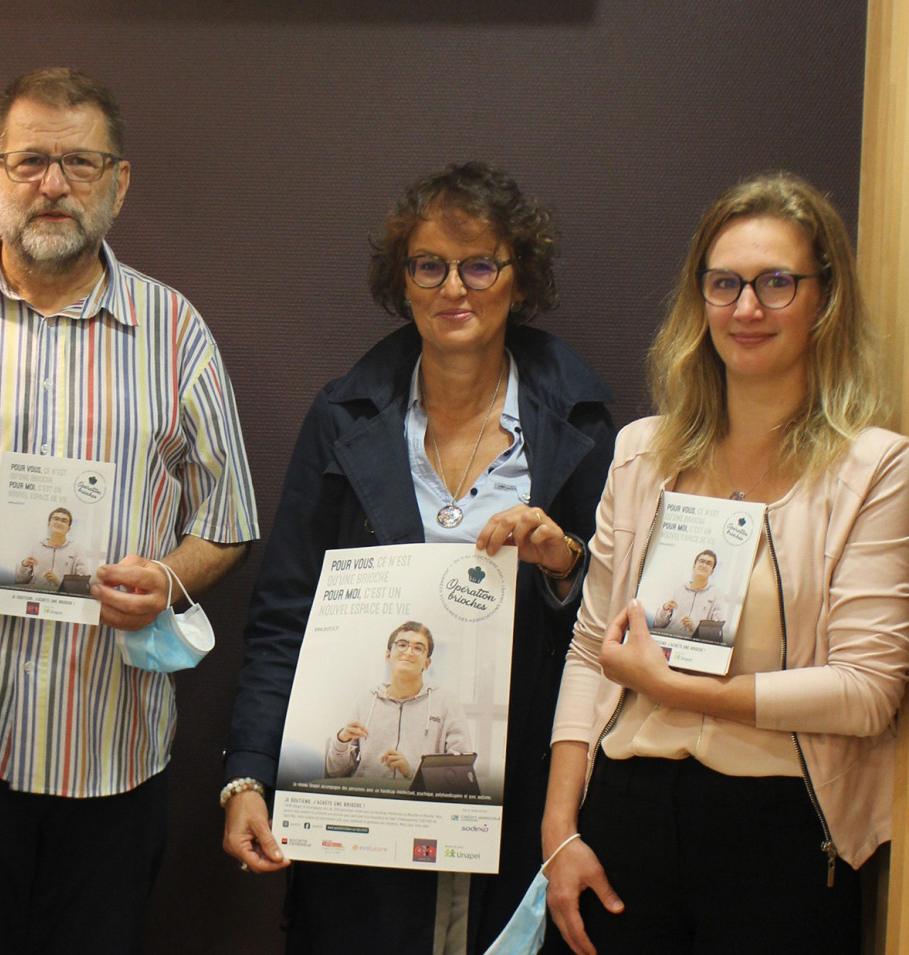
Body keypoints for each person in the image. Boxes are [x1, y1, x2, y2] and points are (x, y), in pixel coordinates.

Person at [0, 68, 258, 954]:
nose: (53, 185)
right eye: (32, 160)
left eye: (79, 163)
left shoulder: (174, 331)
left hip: (111, 747)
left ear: (118, 183)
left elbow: (230, 517)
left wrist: (167, 578)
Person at [223, 161, 615, 954]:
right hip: (361, 796)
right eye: (429, 265)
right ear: (401, 280)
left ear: (518, 277)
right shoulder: (342, 418)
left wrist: (563, 561)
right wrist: (247, 774)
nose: (454, 288)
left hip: (520, 789)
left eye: (480, 264)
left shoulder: (579, 418)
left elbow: (613, 619)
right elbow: (281, 618)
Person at [541, 172, 909, 955]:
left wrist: (683, 689)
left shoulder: (875, 470)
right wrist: (559, 828)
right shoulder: (644, 452)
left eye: (777, 283)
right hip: (625, 817)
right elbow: (590, 646)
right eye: (725, 284)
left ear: (825, 298)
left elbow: (869, 691)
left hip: (780, 834)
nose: (747, 308)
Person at [325, 621, 472, 780]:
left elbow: (460, 772)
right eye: (402, 645)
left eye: (418, 648)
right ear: (388, 655)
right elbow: (336, 772)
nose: (409, 652)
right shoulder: (365, 702)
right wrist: (342, 740)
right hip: (367, 799)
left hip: (418, 802)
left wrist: (412, 771)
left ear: (427, 663)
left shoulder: (447, 703)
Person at [654, 549, 727, 636]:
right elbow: (657, 624)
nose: (704, 565)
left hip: (695, 644)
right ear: (694, 566)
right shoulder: (679, 589)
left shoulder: (716, 594)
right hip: (671, 638)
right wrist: (664, 609)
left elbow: (716, 632)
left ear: (712, 571)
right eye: (701, 561)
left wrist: (695, 627)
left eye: (708, 563)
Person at [14, 506, 88, 589]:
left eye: (64, 521)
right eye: (56, 519)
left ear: (69, 528)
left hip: (62, 598)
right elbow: (20, 580)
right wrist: (24, 565)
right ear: (48, 524)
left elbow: (81, 585)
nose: (59, 523)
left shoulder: (76, 549)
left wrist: (59, 582)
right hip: (35, 595)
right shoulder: (35, 547)